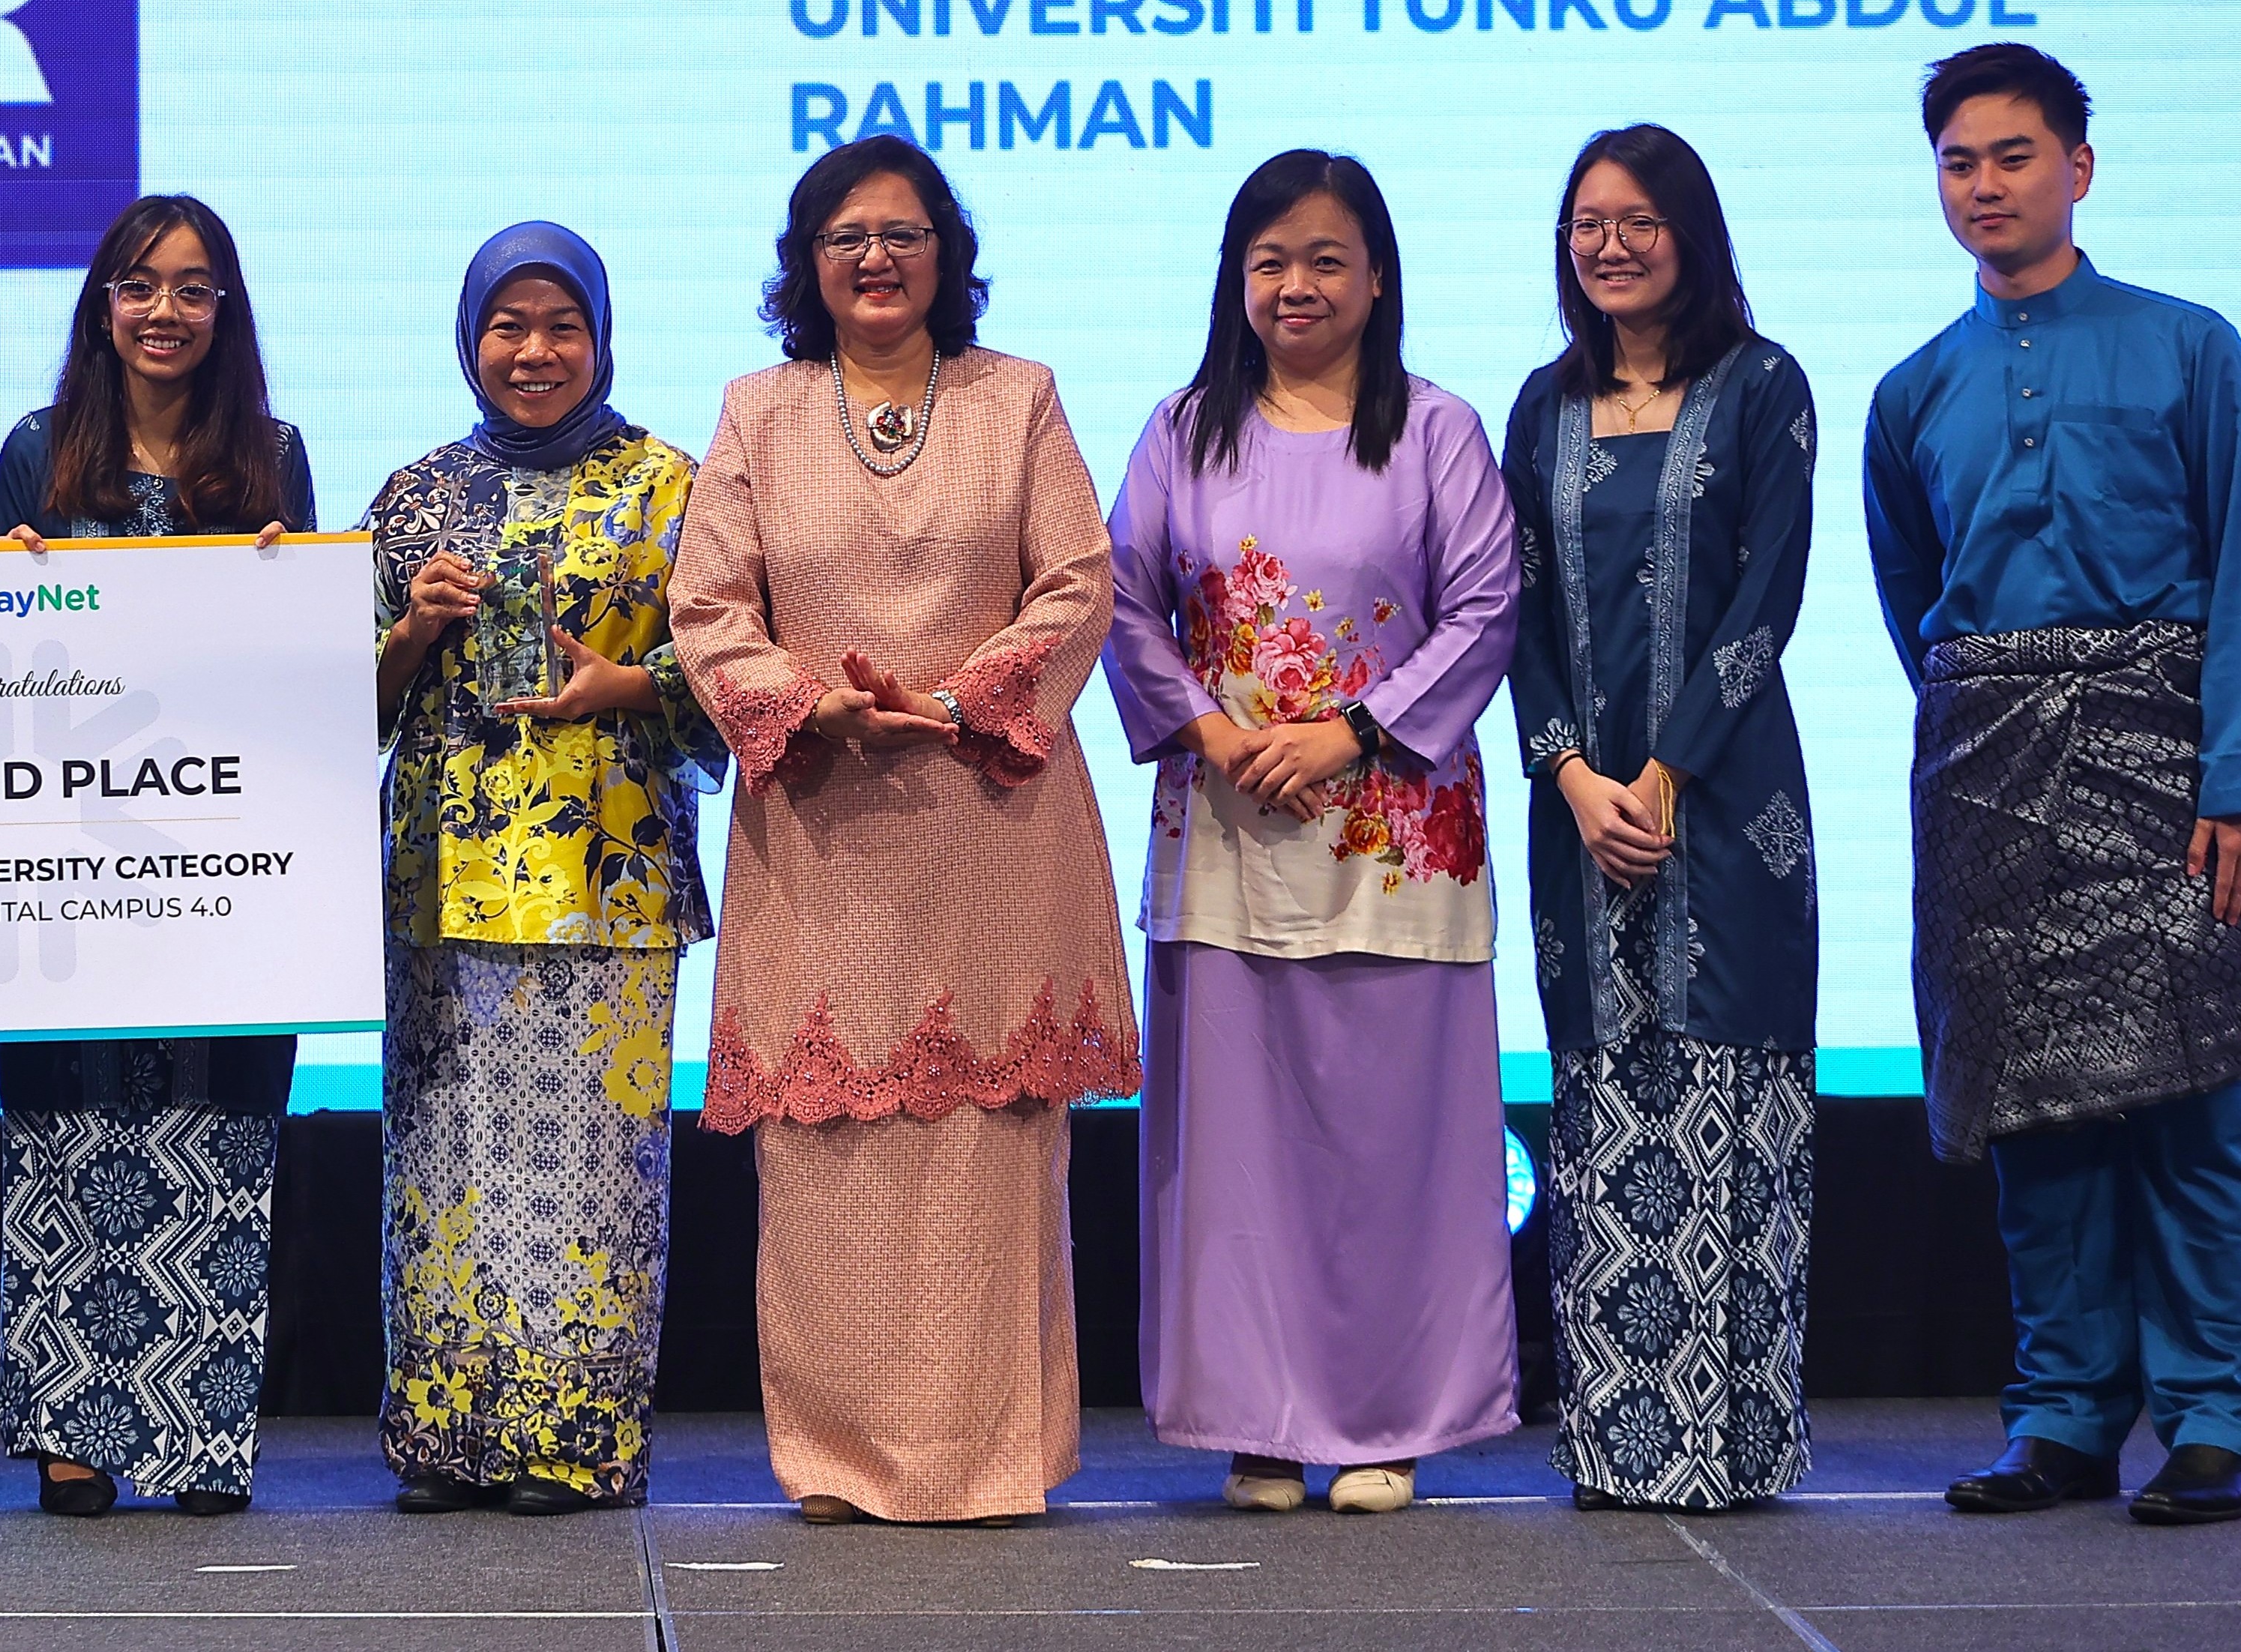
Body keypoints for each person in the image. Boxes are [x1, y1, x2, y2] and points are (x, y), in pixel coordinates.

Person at [670, 134, 1135, 1526]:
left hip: (991, 818)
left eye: (904, 232)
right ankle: (839, 1463)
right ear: (807, 266)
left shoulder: (1020, 399)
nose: (876, 258)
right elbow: (706, 611)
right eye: (845, 236)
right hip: (821, 828)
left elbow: (1079, 586)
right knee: (829, 1163)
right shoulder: (757, 411)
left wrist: (944, 699)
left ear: (948, 252)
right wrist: (814, 710)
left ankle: (990, 1463)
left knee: (987, 1152)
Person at [1863, 45, 2241, 1527]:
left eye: (2010, 155)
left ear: (2077, 167)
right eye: (1956, 161)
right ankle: (2058, 1416)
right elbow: (1915, 601)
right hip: (1985, 771)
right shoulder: (1910, 387)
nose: (1981, 183)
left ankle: (2216, 1420)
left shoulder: (2188, 346)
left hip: (2167, 765)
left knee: (2192, 1101)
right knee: (2032, 1114)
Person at [1104, 149, 1521, 1516]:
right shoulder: (1184, 430)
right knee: (1237, 1155)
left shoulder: (1441, 431)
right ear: (1237, 276)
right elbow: (1115, 600)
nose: (1297, 283)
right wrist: (1211, 730)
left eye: (1327, 259)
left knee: (1395, 1145)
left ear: (1379, 276)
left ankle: (1391, 1416)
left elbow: (1485, 613)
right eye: (1271, 259)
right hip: (1223, 828)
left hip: (1394, 833)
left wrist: (1350, 733)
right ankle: (1260, 1426)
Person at [364, 223, 726, 1516]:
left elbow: (740, 679)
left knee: (590, 1165)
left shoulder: (676, 486)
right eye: (506, 327)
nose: (533, 352)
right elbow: (339, 706)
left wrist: (621, 683)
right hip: (439, 887)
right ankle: (451, 1441)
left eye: (559, 326)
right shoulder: (411, 496)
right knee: (445, 1166)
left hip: (606, 875)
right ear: (470, 340)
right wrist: (412, 630)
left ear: (602, 337)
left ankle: (572, 1439)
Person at [1500, 125, 1821, 1511]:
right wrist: (1572, 776)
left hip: (1734, 808)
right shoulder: (1541, 405)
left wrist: (1670, 776)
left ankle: (1733, 1446)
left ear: (1690, 231)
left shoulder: (1763, 387)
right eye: (1587, 222)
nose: (1610, 244)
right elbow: (1509, 614)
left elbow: (1768, 604)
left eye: (1637, 219)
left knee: (1734, 1101)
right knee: (1605, 1102)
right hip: (1578, 820)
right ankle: (1620, 1444)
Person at [0, 195, 316, 1519]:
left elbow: (298, 655)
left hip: (223, 852)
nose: (164, 311)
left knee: (217, 1131)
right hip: (64, 854)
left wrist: (295, 584)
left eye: (192, 289)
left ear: (224, 312)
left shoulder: (272, 453)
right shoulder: (36, 450)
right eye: (139, 285)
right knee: (72, 1133)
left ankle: (197, 1434)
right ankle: (75, 1430)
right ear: (102, 305)